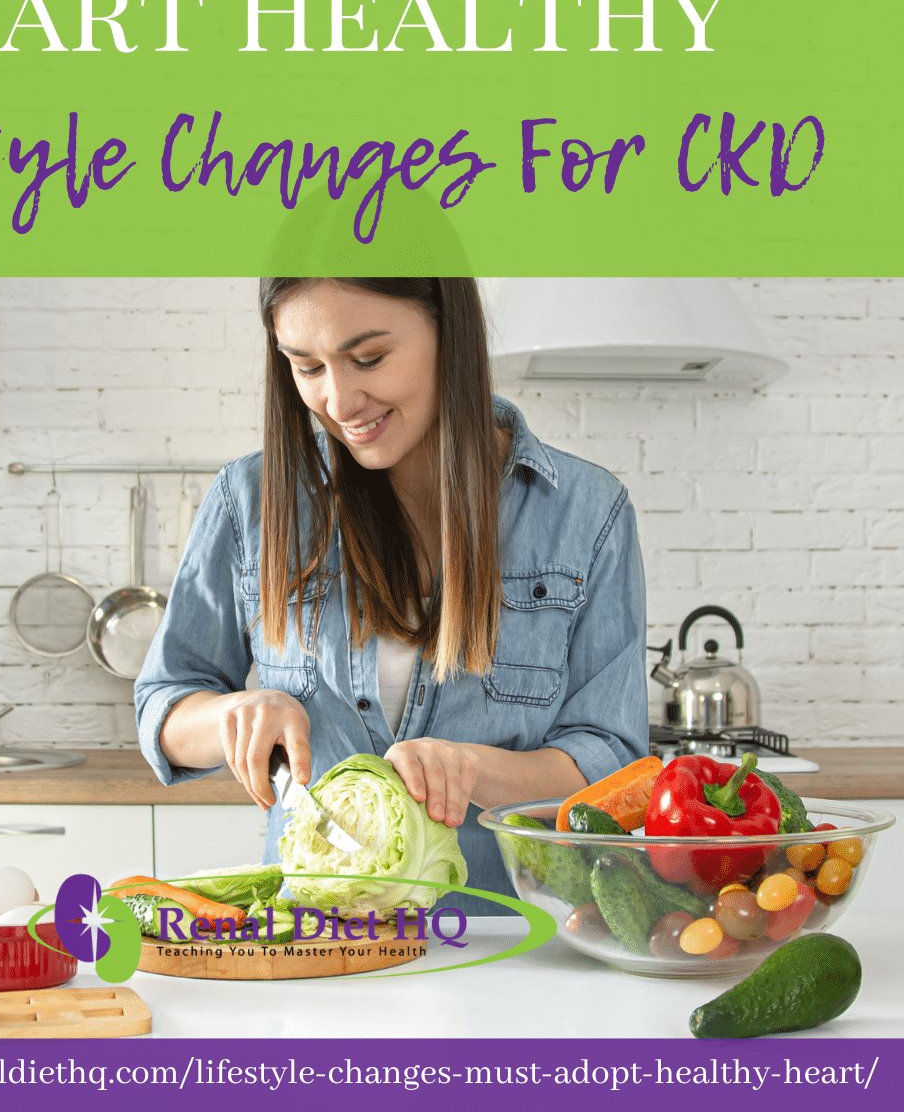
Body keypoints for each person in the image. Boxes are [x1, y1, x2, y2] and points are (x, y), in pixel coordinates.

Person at [134, 278, 648, 913]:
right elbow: (164, 705)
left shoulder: (586, 510)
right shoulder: (251, 499)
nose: (339, 399)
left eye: (369, 359)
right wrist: (229, 717)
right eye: (307, 366)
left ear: (449, 334)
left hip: (507, 939)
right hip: (312, 940)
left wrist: (475, 771)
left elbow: (613, 765)